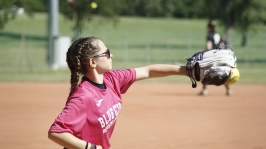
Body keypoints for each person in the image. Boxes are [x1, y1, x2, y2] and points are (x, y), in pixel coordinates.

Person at [47, 36, 188, 149]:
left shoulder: (112, 79)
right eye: (106, 53)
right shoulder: (83, 97)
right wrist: (90, 148)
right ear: (93, 62)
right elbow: (56, 132)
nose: (111, 55)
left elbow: (148, 71)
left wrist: (187, 71)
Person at [199, 20, 232, 96]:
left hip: (212, 56)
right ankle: (228, 90)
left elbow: (209, 46)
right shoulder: (218, 35)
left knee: (205, 73)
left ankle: (204, 90)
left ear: (209, 27)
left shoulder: (209, 35)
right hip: (219, 56)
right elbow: (223, 45)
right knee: (221, 73)